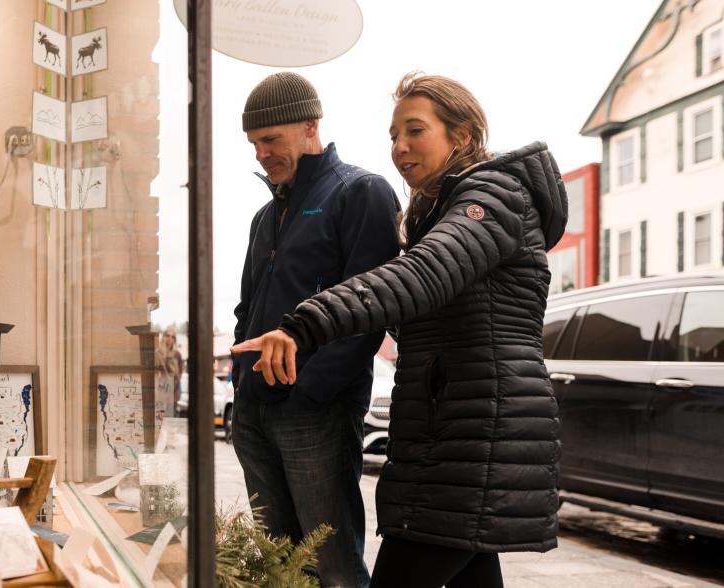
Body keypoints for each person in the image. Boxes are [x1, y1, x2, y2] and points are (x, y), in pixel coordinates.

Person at [233, 72, 567, 587]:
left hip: (477, 433)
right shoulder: (440, 210)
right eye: (393, 135)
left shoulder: (494, 196)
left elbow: (422, 274)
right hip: (448, 432)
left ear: (462, 135)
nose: (400, 147)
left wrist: (304, 326)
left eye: (415, 130)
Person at [232, 71, 401, 587]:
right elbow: (247, 309)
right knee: (279, 564)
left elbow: (369, 310)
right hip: (254, 413)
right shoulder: (265, 217)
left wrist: (308, 392)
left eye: (270, 140)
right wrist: (243, 386)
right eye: (254, 144)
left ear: (311, 127)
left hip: (315, 415)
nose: (261, 153)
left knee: (333, 566)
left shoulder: (362, 192)